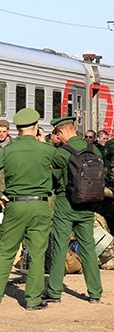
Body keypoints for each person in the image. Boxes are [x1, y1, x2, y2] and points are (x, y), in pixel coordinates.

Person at [0, 108, 67, 310]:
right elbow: (65, 165)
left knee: (6, 251)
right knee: (37, 253)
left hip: (15, 205)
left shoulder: (8, 150)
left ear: (17, 129)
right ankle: (33, 300)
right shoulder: (46, 150)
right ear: (36, 128)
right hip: (39, 205)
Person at [44, 116, 103, 305]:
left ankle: (54, 291)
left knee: (60, 245)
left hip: (66, 202)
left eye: (57, 134)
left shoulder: (62, 153)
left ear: (61, 132)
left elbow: (52, 178)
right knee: (88, 247)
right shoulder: (93, 149)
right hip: (88, 203)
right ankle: (95, 292)